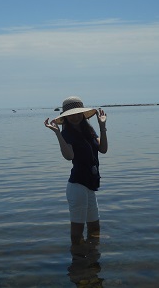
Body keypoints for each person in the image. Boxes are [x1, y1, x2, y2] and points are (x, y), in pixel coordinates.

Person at [44, 96, 108, 247]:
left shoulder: (89, 131)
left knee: (94, 227)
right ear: (65, 117)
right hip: (77, 186)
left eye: (78, 113)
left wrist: (102, 126)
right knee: (77, 231)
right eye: (71, 114)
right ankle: (78, 261)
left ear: (82, 114)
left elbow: (103, 149)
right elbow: (69, 156)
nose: (75, 117)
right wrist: (58, 134)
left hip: (90, 185)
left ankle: (93, 258)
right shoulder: (67, 134)